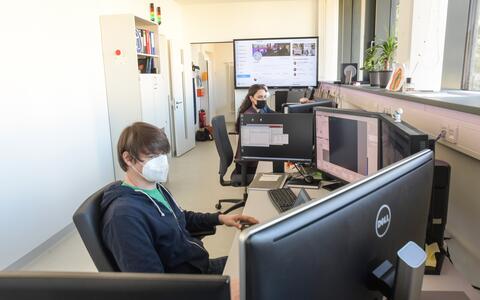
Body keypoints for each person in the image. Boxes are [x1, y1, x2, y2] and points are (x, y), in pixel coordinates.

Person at [101, 122, 258, 274]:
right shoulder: (124, 217)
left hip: (199, 268)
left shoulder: (154, 188)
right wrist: (227, 290)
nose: (162, 161)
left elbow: (180, 217)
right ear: (128, 158)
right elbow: (151, 287)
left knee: (262, 260)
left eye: (163, 154)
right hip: (189, 286)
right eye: (153, 156)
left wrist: (220, 218)